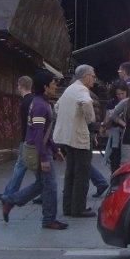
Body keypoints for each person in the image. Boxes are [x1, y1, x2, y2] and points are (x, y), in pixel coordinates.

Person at [0, 70, 68, 230]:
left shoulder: (41, 102)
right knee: (50, 185)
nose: (55, 86)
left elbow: (44, 132)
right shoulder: (39, 105)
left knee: (42, 184)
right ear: (45, 86)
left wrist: (54, 148)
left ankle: (11, 200)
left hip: (39, 149)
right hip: (38, 151)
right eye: (53, 83)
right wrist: (44, 157)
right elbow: (37, 134)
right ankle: (48, 219)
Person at [53, 64, 97, 218]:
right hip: (79, 137)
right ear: (85, 76)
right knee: (82, 173)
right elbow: (86, 103)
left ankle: (68, 206)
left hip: (66, 137)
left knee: (70, 171)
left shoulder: (69, 89)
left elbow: (57, 107)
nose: (94, 79)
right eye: (92, 75)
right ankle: (78, 208)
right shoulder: (82, 90)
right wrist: (89, 119)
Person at [0, 76, 34, 202]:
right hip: (31, 140)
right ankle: (8, 194)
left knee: (21, 167)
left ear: (19, 86)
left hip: (27, 140)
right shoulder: (32, 100)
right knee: (23, 167)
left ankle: (8, 195)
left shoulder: (25, 102)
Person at [103, 81, 128, 173]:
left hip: (128, 134)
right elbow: (106, 122)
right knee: (115, 159)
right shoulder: (112, 103)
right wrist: (110, 117)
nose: (121, 96)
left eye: (123, 94)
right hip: (115, 135)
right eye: (118, 94)